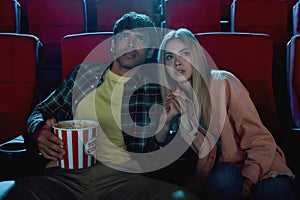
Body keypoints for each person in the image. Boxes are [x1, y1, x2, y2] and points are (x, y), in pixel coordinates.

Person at [3, 13, 199, 200]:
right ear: (113, 45)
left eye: (140, 39)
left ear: (149, 51)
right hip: (64, 176)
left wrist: (165, 126)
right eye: (124, 37)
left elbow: (152, 154)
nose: (131, 44)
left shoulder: (153, 90)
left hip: (123, 179)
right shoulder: (84, 73)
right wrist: (38, 130)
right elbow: (40, 112)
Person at [152, 28, 295, 200]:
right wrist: (167, 122)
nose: (177, 62)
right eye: (169, 57)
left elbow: (260, 140)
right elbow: (171, 161)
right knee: (224, 177)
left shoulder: (224, 82)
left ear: (196, 56)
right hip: (222, 173)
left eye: (185, 53)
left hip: (263, 167)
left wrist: (249, 178)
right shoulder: (175, 101)